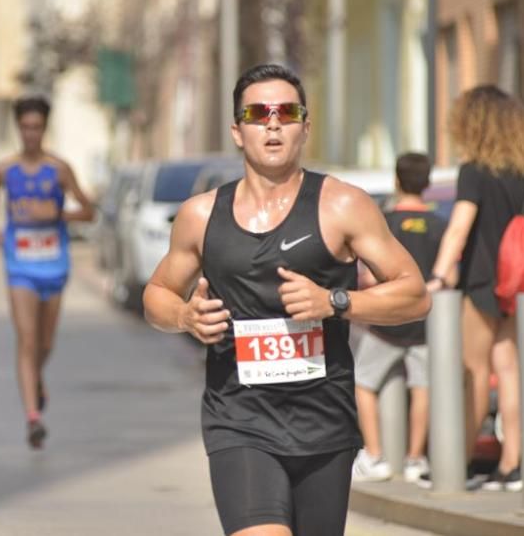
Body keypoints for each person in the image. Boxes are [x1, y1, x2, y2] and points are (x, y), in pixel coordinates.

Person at [142, 64, 430, 536]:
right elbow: (156, 293)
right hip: (239, 418)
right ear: (238, 131)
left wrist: (336, 301)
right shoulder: (200, 215)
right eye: (258, 113)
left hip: (324, 423)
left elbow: (414, 294)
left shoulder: (342, 205)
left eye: (286, 112)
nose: (272, 123)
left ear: (305, 126)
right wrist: (185, 315)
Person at [425, 85, 524, 493]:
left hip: (480, 281)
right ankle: (513, 464)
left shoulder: (473, 171)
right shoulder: (523, 174)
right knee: (508, 369)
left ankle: (459, 459)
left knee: (472, 371)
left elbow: (460, 227)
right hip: (516, 282)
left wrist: (438, 276)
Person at [0, 97, 95, 450]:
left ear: (45, 129)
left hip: (55, 263)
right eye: (25, 127)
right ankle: (33, 418)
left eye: (37, 127)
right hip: (20, 265)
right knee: (26, 340)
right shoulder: (4, 170)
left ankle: (37, 378)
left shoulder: (59, 169)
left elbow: (88, 210)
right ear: (18, 128)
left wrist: (58, 215)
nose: (31, 134)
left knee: (45, 343)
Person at [351, 153, 451, 484]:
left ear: (396, 181)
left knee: (363, 384)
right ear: (427, 184)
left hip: (386, 325)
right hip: (426, 323)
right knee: (422, 388)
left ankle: (374, 455)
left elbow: (366, 278)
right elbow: (449, 275)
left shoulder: (385, 222)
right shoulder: (439, 225)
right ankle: (415, 458)